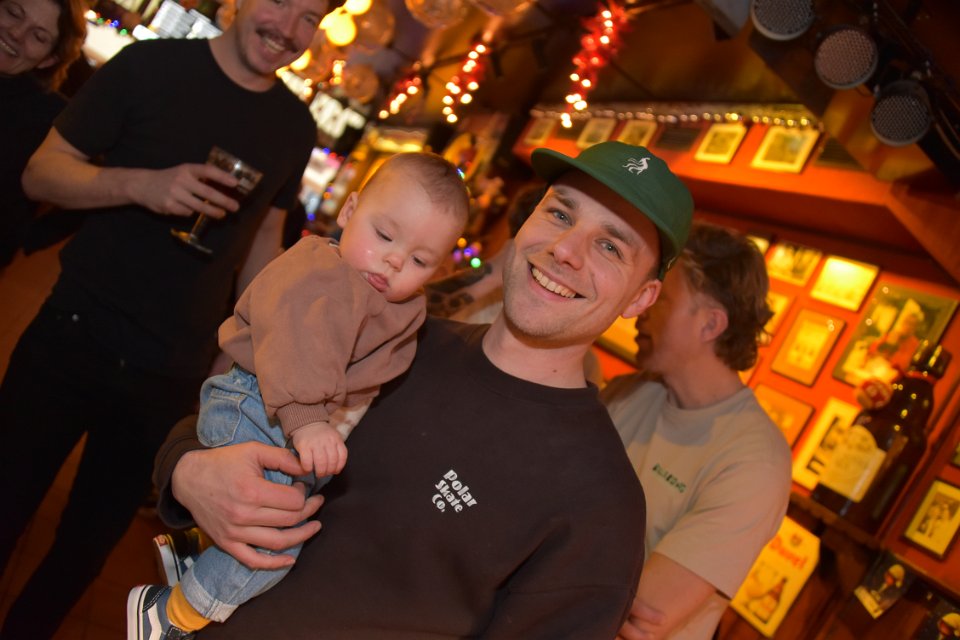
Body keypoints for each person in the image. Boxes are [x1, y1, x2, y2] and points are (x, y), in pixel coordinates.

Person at [149, 140, 694, 638]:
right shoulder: (396, 337)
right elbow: (231, 410)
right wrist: (189, 473)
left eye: (610, 247)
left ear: (641, 298)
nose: (567, 250)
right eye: (560, 214)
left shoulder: (602, 506)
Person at [0, 0, 325, 635]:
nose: (289, 29)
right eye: (281, 2)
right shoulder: (148, 65)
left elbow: (263, 245)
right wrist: (142, 186)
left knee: (85, 550)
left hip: (171, 373)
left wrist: (238, 359)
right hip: (73, 333)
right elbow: (41, 175)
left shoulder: (295, 125)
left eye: (310, 17)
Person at [128, 151, 469, 639]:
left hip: (289, 425)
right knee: (271, 544)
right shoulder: (321, 271)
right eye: (384, 235)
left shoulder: (402, 309)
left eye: (419, 260)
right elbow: (294, 343)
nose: (395, 260)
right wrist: (308, 419)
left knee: (272, 534)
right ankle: (168, 616)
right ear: (349, 211)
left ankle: (194, 557)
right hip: (259, 404)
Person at [601, 222, 793, 640]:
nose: (639, 306)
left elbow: (642, 615)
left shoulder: (755, 462)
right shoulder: (628, 392)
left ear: (710, 325)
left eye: (660, 297)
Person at [0, 0, 86, 268]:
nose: (16, 33)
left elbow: (91, 188)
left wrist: (28, 235)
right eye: (13, 13)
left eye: (38, 36)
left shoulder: (53, 117)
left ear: (49, 59)